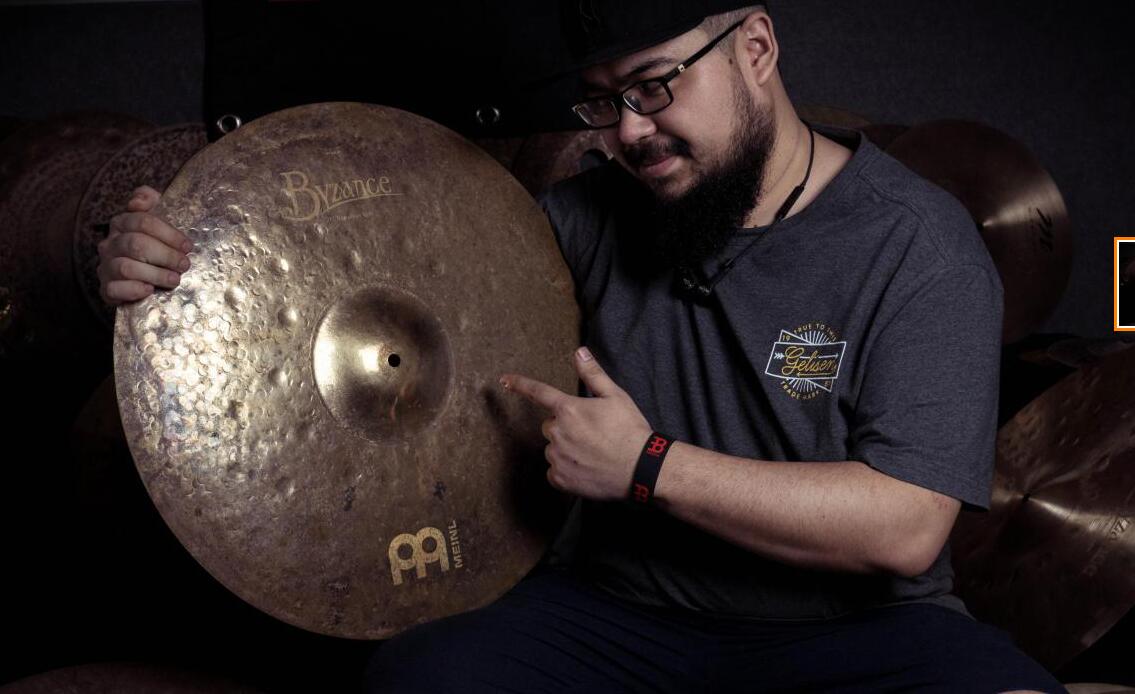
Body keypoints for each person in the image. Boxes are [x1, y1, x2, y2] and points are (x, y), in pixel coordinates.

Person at [98, 2, 1065, 691]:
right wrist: (183, 262)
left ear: (755, 47)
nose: (630, 133)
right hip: (617, 621)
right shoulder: (584, 219)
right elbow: (347, 281)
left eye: (655, 86)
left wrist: (648, 468)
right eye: (603, 103)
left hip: (859, 637)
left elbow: (903, 525)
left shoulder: (918, 245)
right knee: (421, 678)